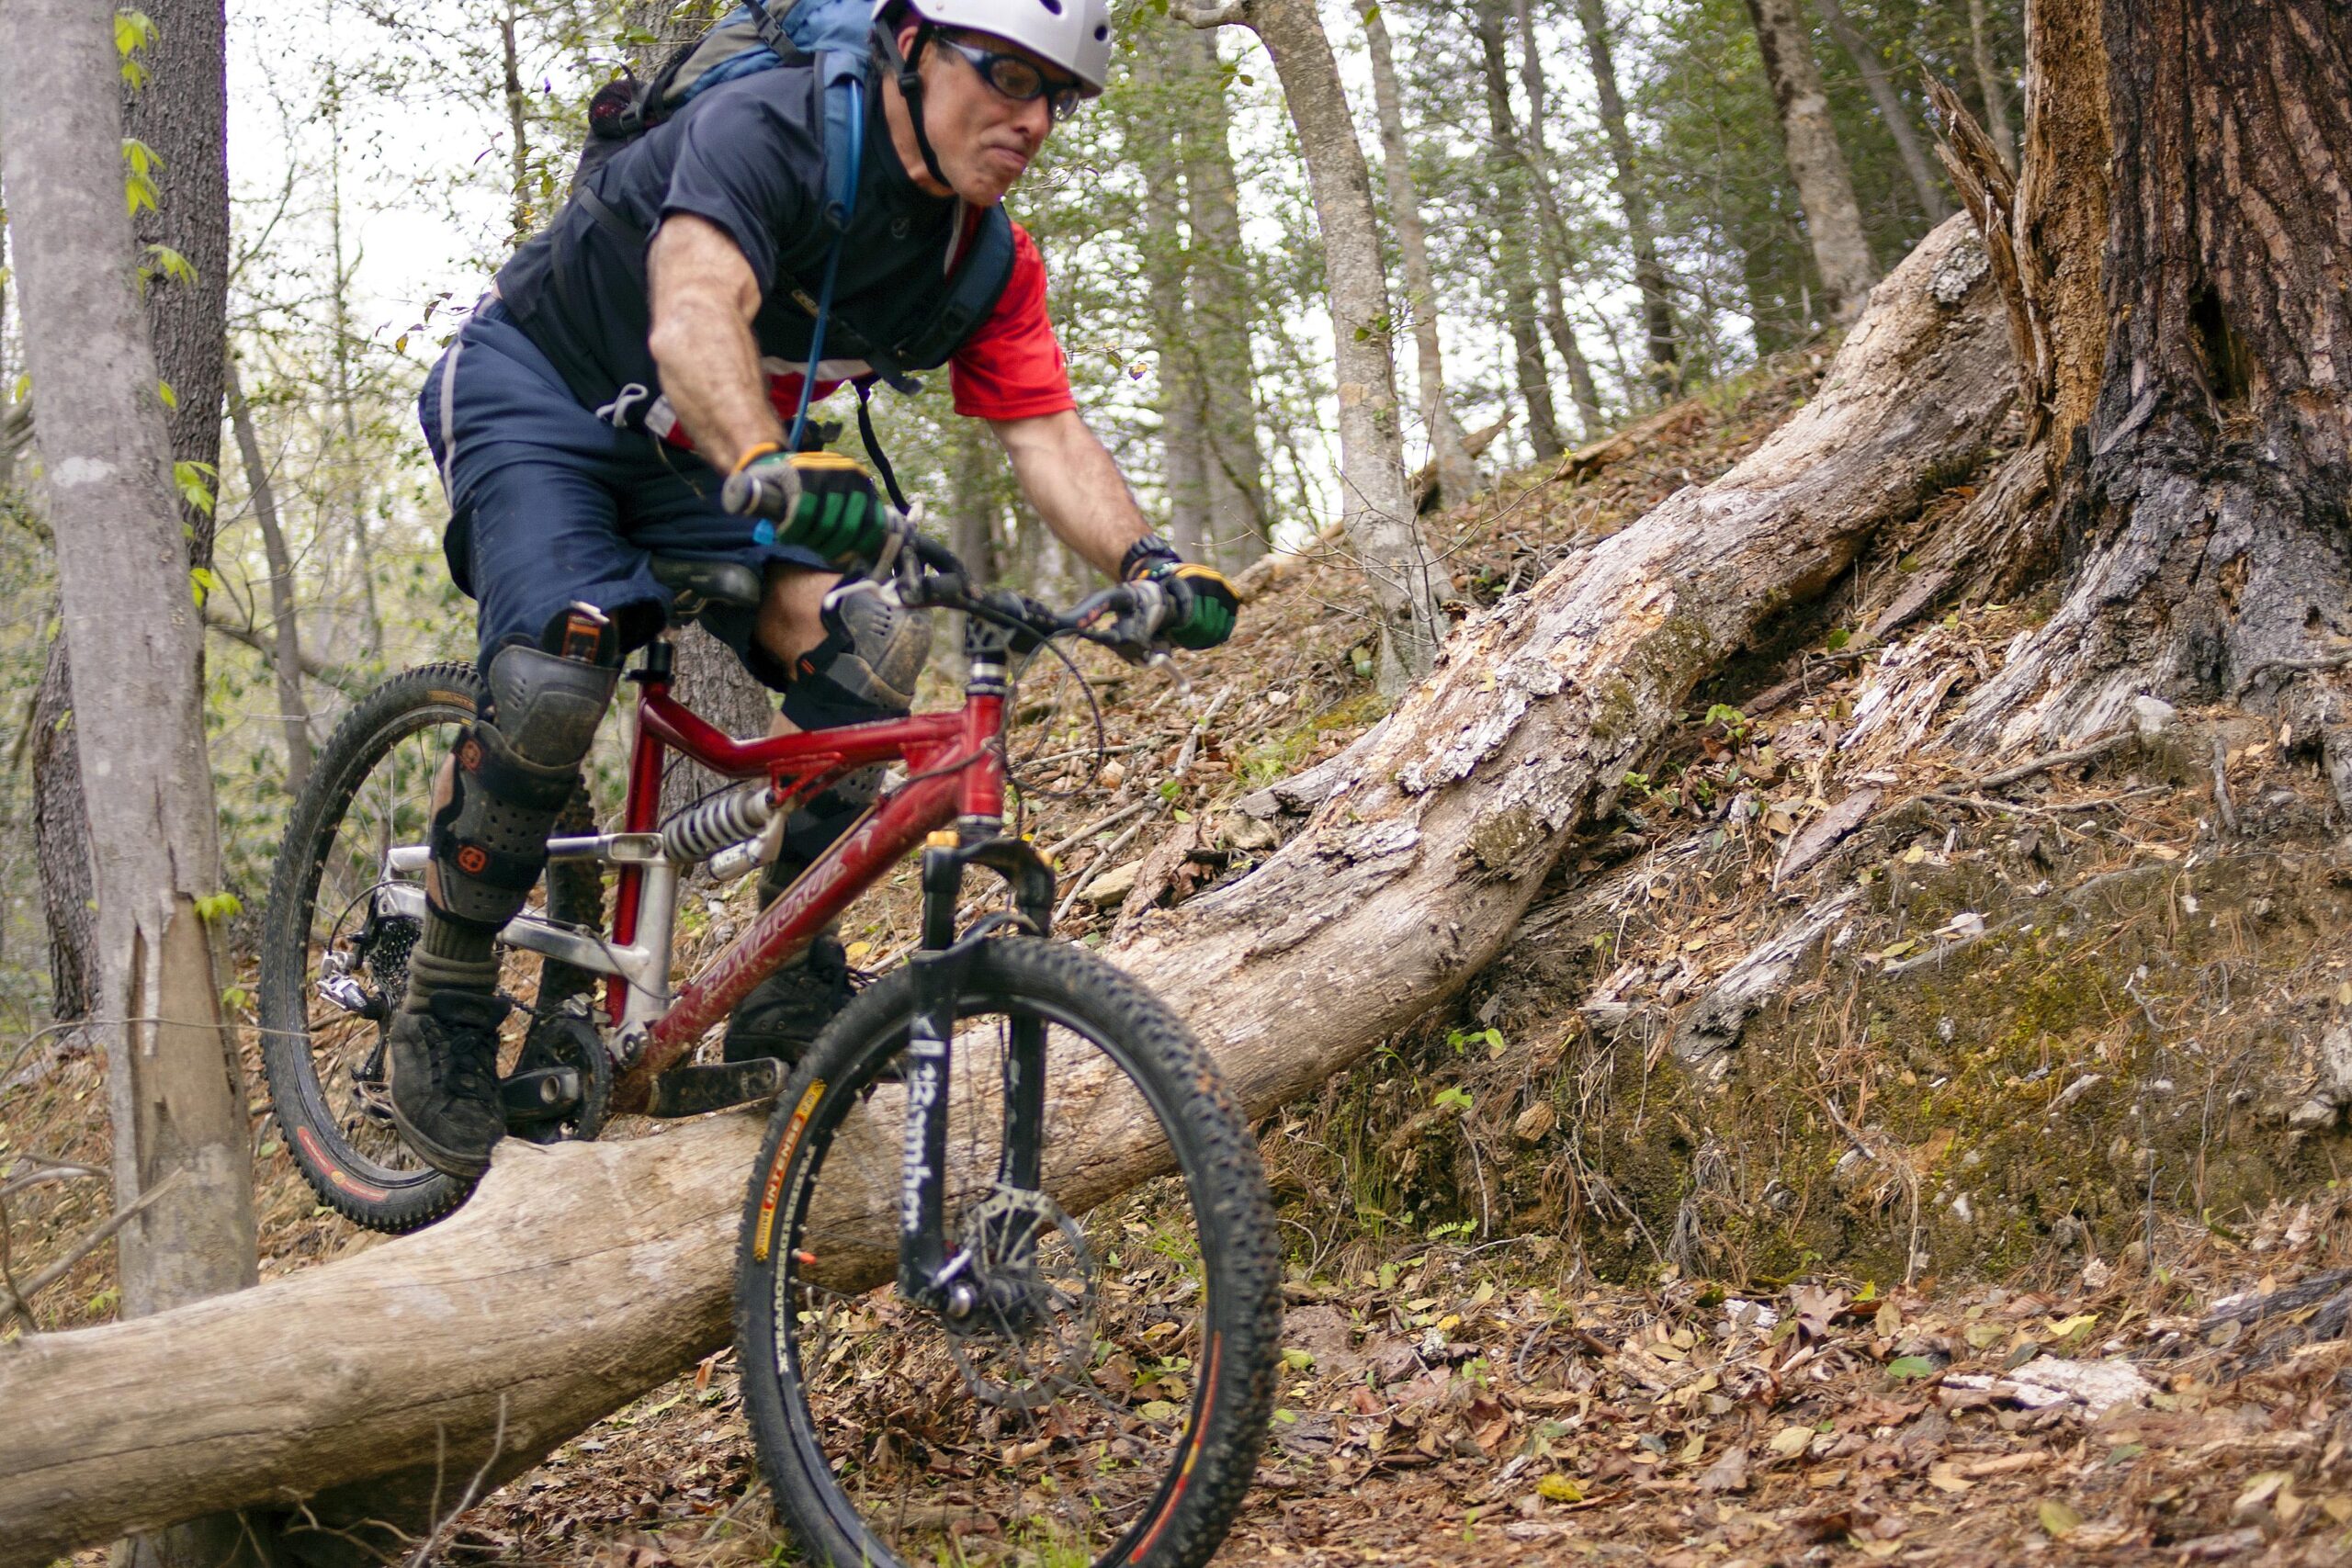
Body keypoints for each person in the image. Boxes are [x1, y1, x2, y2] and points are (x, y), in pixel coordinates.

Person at [394, 0, 1242, 1179]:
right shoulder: (770, 129)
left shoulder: (985, 257)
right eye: (1003, 74)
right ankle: (441, 989)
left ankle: (788, 983)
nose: (1030, 118)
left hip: (710, 452)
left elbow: (1044, 430)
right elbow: (695, 311)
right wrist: (759, 457)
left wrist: (1149, 567)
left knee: (874, 646)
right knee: (554, 668)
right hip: (542, 393)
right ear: (910, 47)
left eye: (1058, 96)